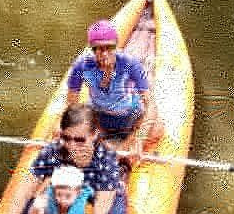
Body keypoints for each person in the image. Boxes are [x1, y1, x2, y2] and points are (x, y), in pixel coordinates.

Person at [66, 19, 164, 153]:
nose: (105, 54)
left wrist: (140, 138)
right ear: (92, 49)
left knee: (158, 128)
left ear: (116, 46)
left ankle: (127, 146)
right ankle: (102, 142)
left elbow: (150, 105)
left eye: (109, 48)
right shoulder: (82, 66)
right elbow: (72, 105)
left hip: (129, 116)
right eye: (99, 49)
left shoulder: (130, 64)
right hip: (99, 117)